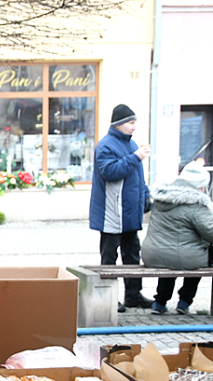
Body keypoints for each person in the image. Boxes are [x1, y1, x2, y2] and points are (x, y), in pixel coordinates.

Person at [89, 104, 153, 313]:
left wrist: (145, 197)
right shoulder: (106, 145)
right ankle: (107, 297)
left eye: (135, 122)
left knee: (132, 255)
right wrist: (136, 157)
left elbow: (138, 178)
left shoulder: (131, 144)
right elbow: (110, 172)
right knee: (109, 258)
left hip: (129, 214)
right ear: (118, 124)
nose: (134, 127)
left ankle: (133, 295)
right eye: (131, 122)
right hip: (111, 213)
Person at [142, 161, 213, 314]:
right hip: (183, 257)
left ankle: (160, 302)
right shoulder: (196, 203)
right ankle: (184, 302)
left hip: (152, 254)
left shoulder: (163, 197)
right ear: (199, 185)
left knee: (172, 255)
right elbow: (210, 232)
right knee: (195, 257)